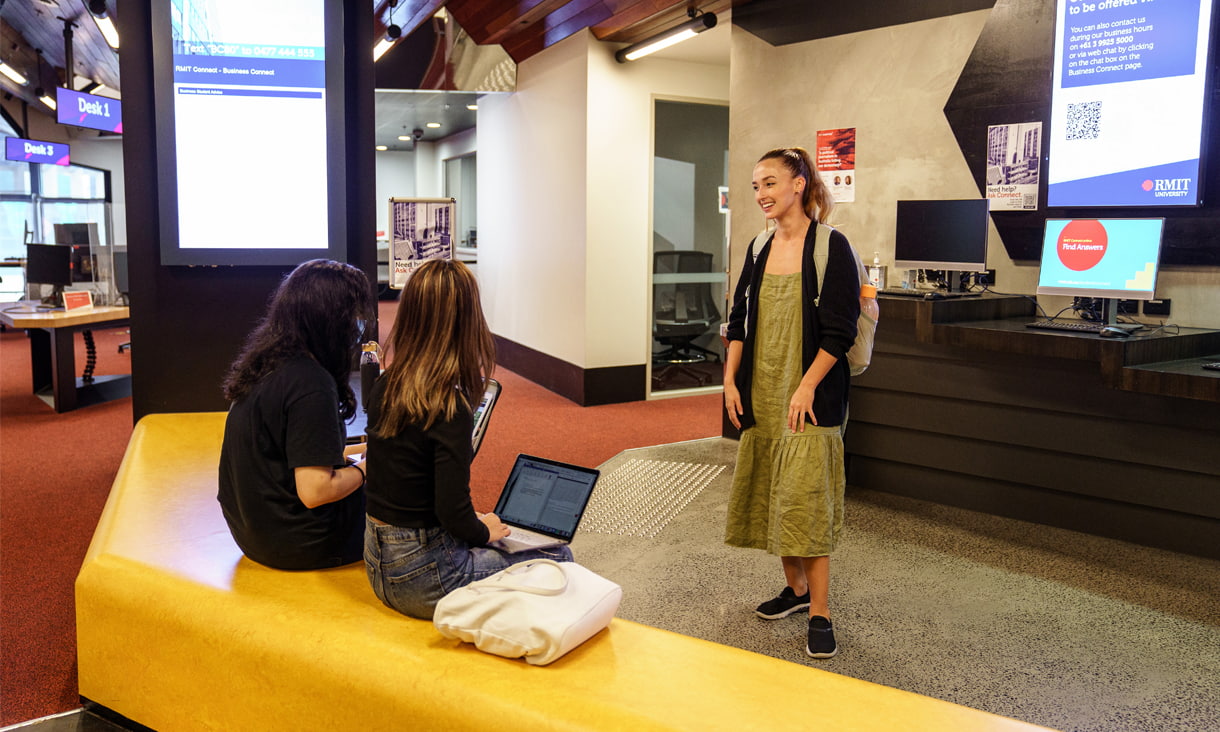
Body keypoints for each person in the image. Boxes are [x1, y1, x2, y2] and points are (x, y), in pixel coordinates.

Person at [363, 258, 572, 620]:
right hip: (426, 578)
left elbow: (410, 483)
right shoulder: (448, 402)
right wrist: (483, 531)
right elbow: (452, 513)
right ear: (467, 320)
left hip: (377, 563)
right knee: (558, 556)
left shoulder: (388, 384)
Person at [723, 147, 861, 659]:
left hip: (811, 395)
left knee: (805, 497)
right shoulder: (758, 247)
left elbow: (840, 331)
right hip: (761, 389)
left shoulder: (831, 246)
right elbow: (738, 320)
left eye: (771, 183)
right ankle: (796, 591)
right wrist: (730, 379)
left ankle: (821, 611)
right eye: (756, 186)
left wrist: (806, 387)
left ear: (799, 184)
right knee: (773, 489)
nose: (761, 194)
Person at [218, 259, 373, 570]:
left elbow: (293, 449)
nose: (360, 322)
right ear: (335, 319)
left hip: (252, 533)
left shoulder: (268, 364)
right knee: (403, 488)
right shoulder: (312, 384)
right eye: (355, 313)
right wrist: (371, 467)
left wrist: (363, 452)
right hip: (297, 542)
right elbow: (316, 491)